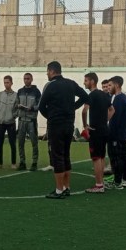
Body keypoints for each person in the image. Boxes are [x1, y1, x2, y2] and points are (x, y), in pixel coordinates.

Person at [38, 61, 88, 199]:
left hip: (56, 124)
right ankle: (67, 187)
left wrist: (51, 116)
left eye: (47, 71)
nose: (47, 74)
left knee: (57, 156)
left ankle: (59, 190)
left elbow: (41, 106)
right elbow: (85, 96)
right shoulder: (71, 83)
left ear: (52, 71)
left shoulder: (51, 86)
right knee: (66, 154)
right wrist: (73, 107)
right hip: (69, 124)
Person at [81, 72, 112, 193]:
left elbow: (84, 111)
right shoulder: (104, 95)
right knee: (102, 156)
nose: (84, 83)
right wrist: (105, 120)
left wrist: (85, 126)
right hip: (104, 129)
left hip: (95, 131)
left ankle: (99, 185)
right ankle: (101, 183)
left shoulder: (91, 95)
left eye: (86, 80)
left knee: (96, 158)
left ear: (92, 81)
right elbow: (112, 109)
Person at [107, 76, 126, 190]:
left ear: (116, 85)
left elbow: (115, 118)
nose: (108, 88)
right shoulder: (124, 98)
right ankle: (125, 180)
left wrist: (110, 132)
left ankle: (117, 181)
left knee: (116, 157)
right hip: (122, 133)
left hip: (116, 134)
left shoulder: (118, 99)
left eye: (110, 85)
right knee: (123, 156)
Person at [15, 72, 41, 171]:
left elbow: (40, 104)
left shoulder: (36, 91)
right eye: (25, 78)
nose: (26, 80)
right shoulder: (20, 91)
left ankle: (34, 162)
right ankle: (22, 162)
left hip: (31, 121)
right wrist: (18, 106)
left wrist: (33, 108)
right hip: (21, 120)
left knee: (34, 142)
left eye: (28, 78)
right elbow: (16, 103)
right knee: (20, 142)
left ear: (32, 79)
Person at [0, 75, 18, 169]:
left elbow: (17, 109)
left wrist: (13, 116)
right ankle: (0, 163)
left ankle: (13, 163)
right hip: (0, 123)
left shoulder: (16, 95)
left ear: (11, 83)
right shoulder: (0, 94)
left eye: (7, 82)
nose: (6, 84)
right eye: (4, 82)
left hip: (11, 123)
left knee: (12, 144)